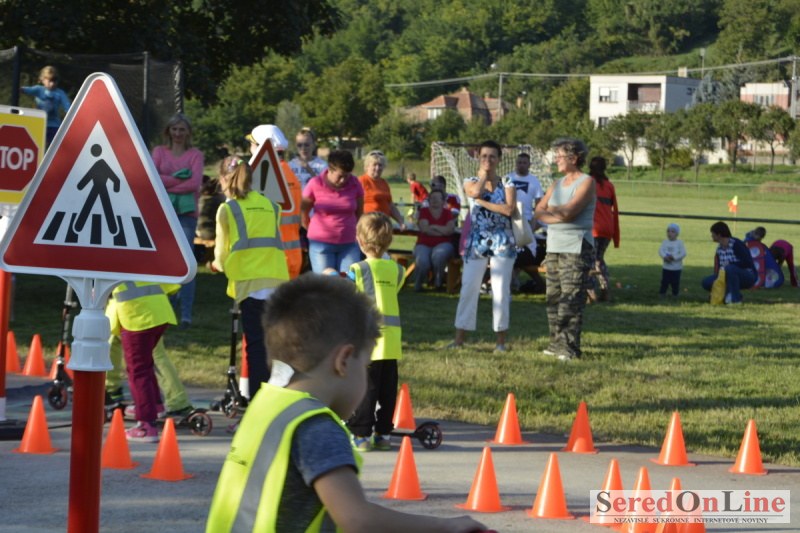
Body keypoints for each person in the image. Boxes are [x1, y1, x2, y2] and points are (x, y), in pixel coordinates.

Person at [205, 274, 486, 532]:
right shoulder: (317, 427)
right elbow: (357, 520)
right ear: (343, 360)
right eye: (365, 366)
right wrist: (444, 527)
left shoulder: (265, 406)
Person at [210, 156, 289, 399]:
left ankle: (258, 405)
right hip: (277, 281)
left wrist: (215, 265)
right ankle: (276, 399)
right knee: (272, 347)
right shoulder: (271, 206)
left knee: (256, 347)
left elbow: (221, 254)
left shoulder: (228, 209)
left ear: (223, 179)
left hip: (250, 283)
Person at [451, 140, 516, 352]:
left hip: (502, 242)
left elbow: (509, 210)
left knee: (500, 291)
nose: (488, 160)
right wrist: (483, 176)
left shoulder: (507, 182)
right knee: (468, 288)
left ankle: (500, 342)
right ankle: (459, 339)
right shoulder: (470, 180)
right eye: (484, 156)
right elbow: (473, 193)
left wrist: (483, 203)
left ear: (499, 159)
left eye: (492, 156)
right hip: (476, 242)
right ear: (478, 158)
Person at [534, 138, 596, 361]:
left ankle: (569, 348)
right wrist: (555, 212)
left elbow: (569, 213)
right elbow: (538, 211)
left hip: (576, 247)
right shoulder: (556, 184)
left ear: (574, 158)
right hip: (554, 247)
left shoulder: (587, 182)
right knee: (553, 296)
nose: (556, 160)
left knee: (571, 298)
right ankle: (555, 343)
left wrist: (551, 210)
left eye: (559, 156)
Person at [347, 213, 405, 451]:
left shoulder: (357, 270)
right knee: (387, 391)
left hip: (367, 342)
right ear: (388, 241)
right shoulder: (397, 271)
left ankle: (361, 435)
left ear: (360, 241)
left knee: (365, 390)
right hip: (391, 342)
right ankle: (383, 434)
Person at [107, 282, 179, 442]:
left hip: (136, 317)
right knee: (145, 365)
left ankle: (146, 426)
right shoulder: (143, 263)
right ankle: (155, 406)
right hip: (159, 312)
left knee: (138, 371)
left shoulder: (117, 263)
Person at [151, 113, 204, 329]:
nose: (178, 133)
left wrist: (167, 184)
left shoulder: (195, 155)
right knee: (163, 260)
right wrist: (178, 178)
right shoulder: (159, 152)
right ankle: (166, 307)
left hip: (186, 215)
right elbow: (152, 177)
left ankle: (186, 314)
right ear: (168, 131)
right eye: (174, 129)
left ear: (188, 132)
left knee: (187, 262)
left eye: (182, 129)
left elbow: (194, 183)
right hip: (162, 212)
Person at [247, 124, 304, 278]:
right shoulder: (291, 174)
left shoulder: (261, 176)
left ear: (260, 147)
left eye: (251, 144)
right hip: (292, 255)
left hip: (269, 257)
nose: (250, 148)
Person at [301, 150, 364, 273]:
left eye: (347, 176)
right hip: (321, 245)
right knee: (325, 283)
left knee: (348, 282)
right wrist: (312, 231)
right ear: (330, 169)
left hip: (349, 244)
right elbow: (303, 212)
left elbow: (360, 213)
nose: (343, 180)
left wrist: (357, 233)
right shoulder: (315, 184)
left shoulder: (355, 183)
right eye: (340, 176)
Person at [507, 152, 545, 293]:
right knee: (508, 251)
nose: (521, 165)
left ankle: (513, 282)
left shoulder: (534, 181)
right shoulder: (508, 178)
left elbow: (540, 205)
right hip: (509, 221)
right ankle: (506, 282)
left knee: (524, 253)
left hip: (526, 222)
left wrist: (534, 223)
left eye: (524, 163)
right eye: (519, 162)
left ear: (529, 165)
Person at [701, 221, 757, 304]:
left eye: (713, 233)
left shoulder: (736, 244)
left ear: (719, 235)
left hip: (747, 275)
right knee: (706, 282)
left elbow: (747, 262)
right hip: (726, 276)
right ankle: (725, 294)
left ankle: (735, 299)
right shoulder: (719, 249)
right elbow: (719, 267)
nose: (711, 236)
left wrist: (731, 264)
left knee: (730, 269)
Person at [588, 156, 620, 302]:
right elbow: (614, 208)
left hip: (593, 227)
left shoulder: (587, 183)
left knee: (589, 260)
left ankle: (590, 291)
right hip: (607, 228)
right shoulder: (609, 185)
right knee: (599, 259)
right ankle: (605, 289)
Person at [413, 189, 456, 291]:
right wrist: (442, 231)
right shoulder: (424, 211)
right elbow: (424, 229)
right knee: (422, 260)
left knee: (438, 256)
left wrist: (433, 226)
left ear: (443, 201)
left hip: (444, 244)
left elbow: (449, 230)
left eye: (437, 198)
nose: (434, 200)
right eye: (432, 198)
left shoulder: (447, 213)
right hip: (424, 243)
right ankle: (418, 284)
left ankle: (438, 283)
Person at [20, 65, 70, 146]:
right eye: (50, 81)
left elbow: (67, 106)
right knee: (35, 145)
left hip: (54, 125)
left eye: (54, 81)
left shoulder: (60, 93)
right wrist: (20, 89)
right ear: (42, 79)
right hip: (38, 124)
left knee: (54, 146)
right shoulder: (38, 89)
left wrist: (69, 114)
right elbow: (26, 90)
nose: (52, 83)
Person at [358, 150, 405, 228]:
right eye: (374, 165)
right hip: (368, 225)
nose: (377, 168)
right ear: (367, 166)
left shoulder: (384, 183)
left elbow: (390, 205)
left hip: (384, 225)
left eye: (380, 165)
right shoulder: (361, 181)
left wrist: (401, 222)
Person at [658, 223, 686, 298]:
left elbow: (683, 253)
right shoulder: (665, 242)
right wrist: (665, 257)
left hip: (676, 268)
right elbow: (661, 250)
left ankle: (675, 294)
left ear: (677, 233)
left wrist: (674, 257)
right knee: (664, 281)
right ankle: (662, 293)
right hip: (666, 267)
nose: (670, 233)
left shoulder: (679, 243)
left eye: (672, 231)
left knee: (675, 282)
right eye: (668, 231)